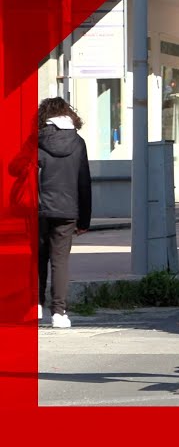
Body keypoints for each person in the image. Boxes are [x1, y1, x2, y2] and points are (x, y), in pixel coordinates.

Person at [36, 97, 92, 328]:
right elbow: (84, 182)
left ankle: (35, 305)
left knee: (37, 258)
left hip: (37, 209)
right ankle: (59, 313)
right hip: (68, 210)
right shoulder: (78, 143)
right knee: (60, 261)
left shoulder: (35, 140)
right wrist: (84, 219)